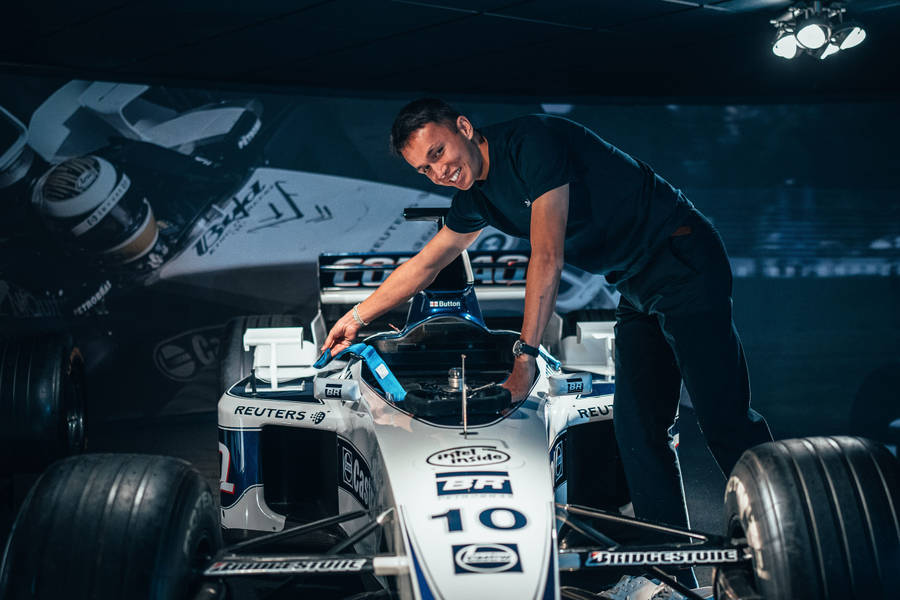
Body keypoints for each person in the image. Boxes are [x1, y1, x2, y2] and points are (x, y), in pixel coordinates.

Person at [321, 98, 772, 547]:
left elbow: (548, 256)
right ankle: (667, 564)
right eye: (424, 169)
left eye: (438, 153)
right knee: (638, 432)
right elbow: (426, 265)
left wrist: (525, 359)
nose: (439, 172)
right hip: (635, 284)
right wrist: (355, 317)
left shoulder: (532, 142)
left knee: (722, 416)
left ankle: (781, 536)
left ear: (464, 127)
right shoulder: (476, 197)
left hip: (681, 257)